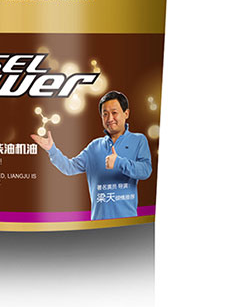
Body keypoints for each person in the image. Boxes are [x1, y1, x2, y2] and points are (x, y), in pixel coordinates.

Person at [31, 90, 152, 220]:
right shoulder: (95, 146)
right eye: (105, 114)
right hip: (98, 224)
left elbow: (145, 170)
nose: (110, 119)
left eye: (114, 113)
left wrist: (118, 162)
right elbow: (69, 167)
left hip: (127, 223)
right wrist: (52, 150)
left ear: (126, 113)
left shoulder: (138, 140)